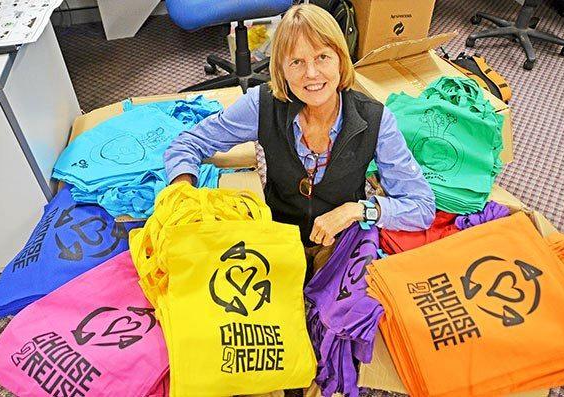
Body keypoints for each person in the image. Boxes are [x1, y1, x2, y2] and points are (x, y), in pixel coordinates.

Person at [164, 4, 435, 253]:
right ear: (280, 70)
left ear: (341, 59)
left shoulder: (376, 119)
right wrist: (183, 192)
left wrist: (357, 211)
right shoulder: (262, 105)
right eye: (297, 62)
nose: (312, 74)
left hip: (341, 245)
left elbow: (422, 207)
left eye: (322, 57)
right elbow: (188, 142)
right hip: (276, 242)